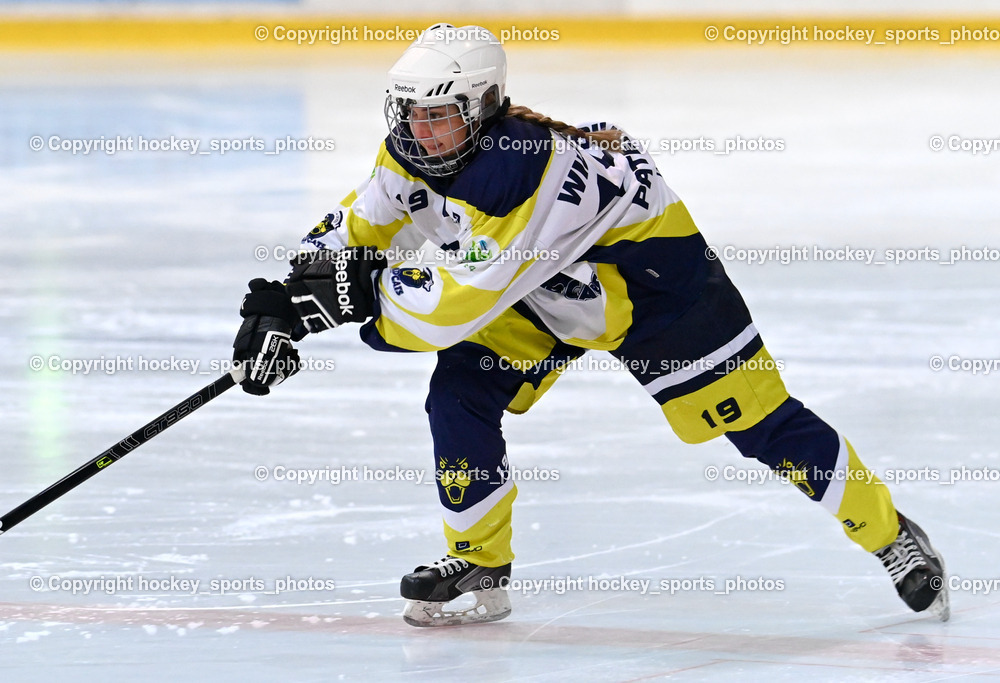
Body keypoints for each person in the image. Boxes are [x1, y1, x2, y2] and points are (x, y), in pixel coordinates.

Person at [231, 23, 950, 627]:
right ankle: (481, 562)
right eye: (409, 113)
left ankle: (892, 534)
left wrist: (349, 300)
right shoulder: (418, 148)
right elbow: (360, 224)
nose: (420, 132)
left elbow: (455, 304)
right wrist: (281, 302)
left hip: (661, 294)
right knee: (458, 395)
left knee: (764, 427)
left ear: (482, 107)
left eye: (438, 115)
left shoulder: (526, 174)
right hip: (544, 292)